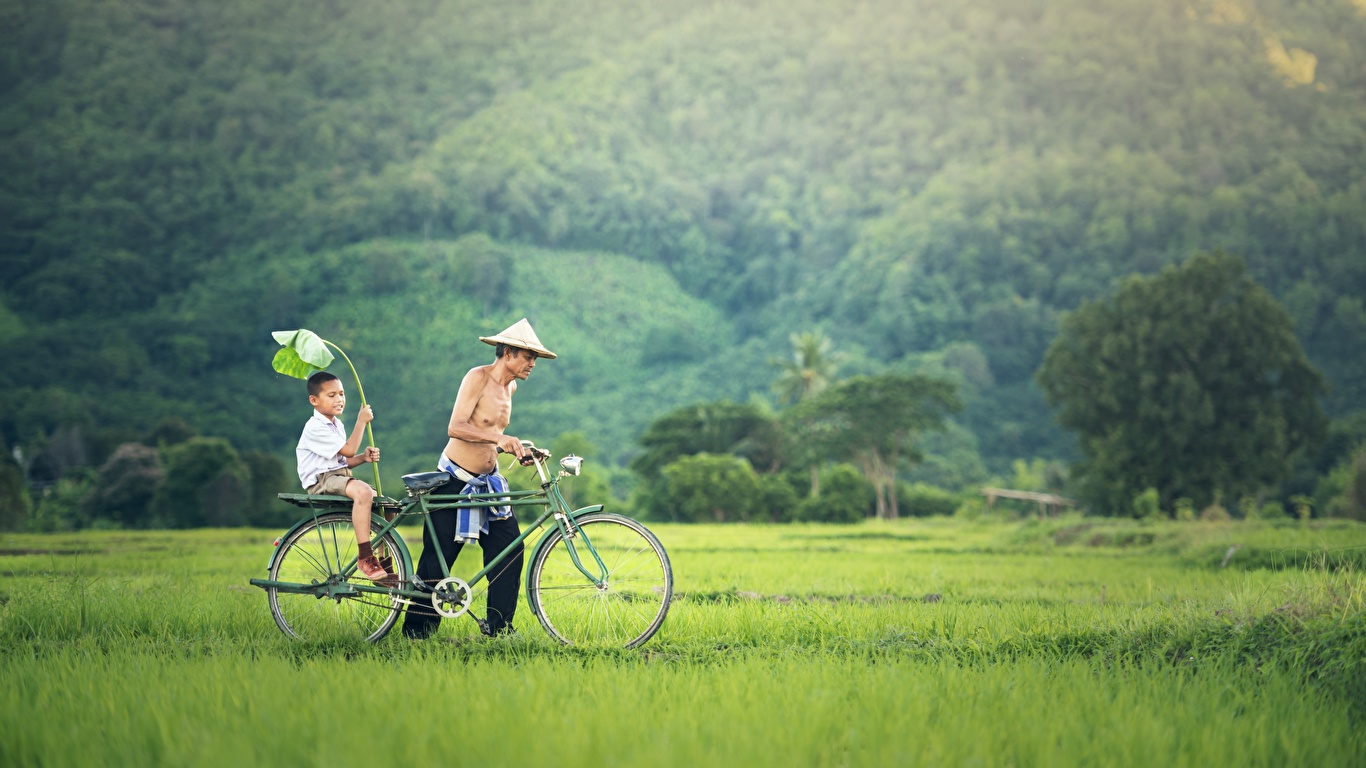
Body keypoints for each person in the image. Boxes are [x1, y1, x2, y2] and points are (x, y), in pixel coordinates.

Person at [402, 318, 556, 639]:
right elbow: (456, 427)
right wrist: (498, 440)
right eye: (528, 357)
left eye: (535, 359)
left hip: (489, 483)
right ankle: (417, 632)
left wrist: (517, 448)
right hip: (454, 480)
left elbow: (493, 434)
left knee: (509, 549)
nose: (532, 364)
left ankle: (500, 629)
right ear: (509, 353)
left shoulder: (509, 387)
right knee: (437, 560)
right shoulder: (478, 377)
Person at [295, 371, 388, 582]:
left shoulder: (337, 424)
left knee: (386, 506)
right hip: (322, 480)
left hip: (338, 475)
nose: (339, 399)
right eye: (332, 395)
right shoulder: (315, 427)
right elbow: (347, 450)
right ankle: (365, 556)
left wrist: (363, 457)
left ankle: (385, 559)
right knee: (363, 492)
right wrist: (361, 421)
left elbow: (344, 461)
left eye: (342, 394)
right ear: (314, 400)